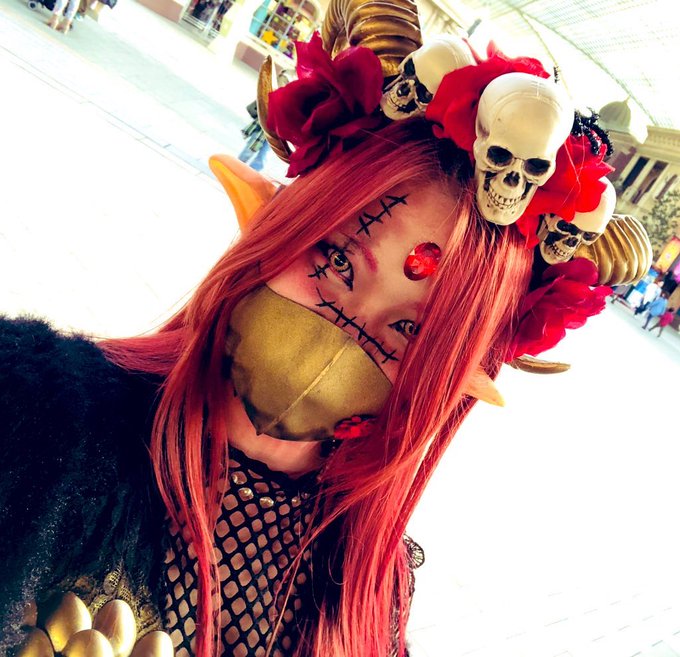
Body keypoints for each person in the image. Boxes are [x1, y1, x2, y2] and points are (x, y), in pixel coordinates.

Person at [1, 2, 651, 656]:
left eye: (410, 330)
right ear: (280, 229)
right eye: (337, 261)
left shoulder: (372, 592)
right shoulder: (35, 408)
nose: (342, 338)